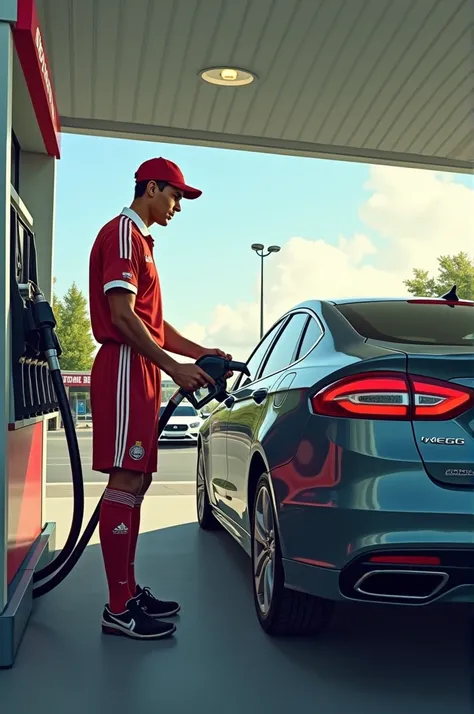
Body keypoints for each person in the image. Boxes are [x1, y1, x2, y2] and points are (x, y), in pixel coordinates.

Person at [88, 157, 231, 640]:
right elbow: (124, 317)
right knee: (126, 479)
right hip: (127, 366)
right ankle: (117, 607)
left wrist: (199, 352)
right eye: (174, 196)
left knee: (140, 481)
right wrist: (174, 368)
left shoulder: (143, 243)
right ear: (151, 188)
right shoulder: (124, 235)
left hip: (142, 367)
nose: (177, 207)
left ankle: (127, 592)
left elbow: (153, 324)